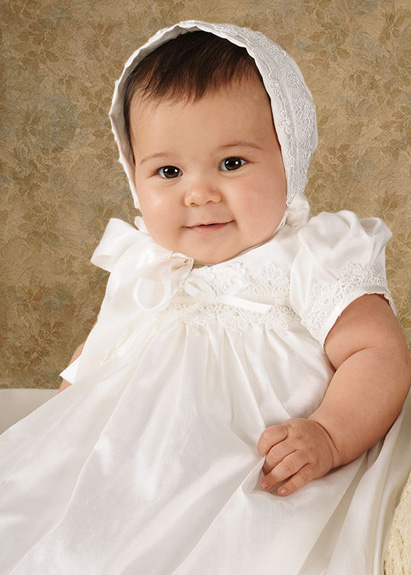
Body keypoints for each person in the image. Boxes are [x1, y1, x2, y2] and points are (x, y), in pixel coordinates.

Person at [1, 20, 410, 575]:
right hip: (130, 467)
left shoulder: (309, 256)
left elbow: (376, 352)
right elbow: (99, 352)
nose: (198, 193)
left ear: (289, 155)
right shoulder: (149, 266)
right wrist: (68, 413)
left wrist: (330, 435)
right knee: (56, 528)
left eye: (231, 163)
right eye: (168, 171)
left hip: (255, 470)